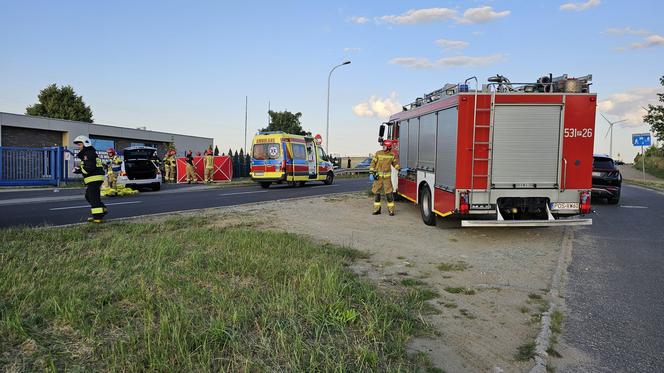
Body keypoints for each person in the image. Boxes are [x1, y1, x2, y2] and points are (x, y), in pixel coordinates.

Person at [72, 135, 107, 223]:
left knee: (93, 198)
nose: (78, 147)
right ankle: (102, 209)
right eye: (78, 145)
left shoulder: (87, 154)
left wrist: (78, 170)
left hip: (94, 179)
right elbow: (89, 167)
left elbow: (89, 168)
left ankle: (97, 218)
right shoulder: (89, 153)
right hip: (94, 178)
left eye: (80, 145)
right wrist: (80, 170)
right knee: (89, 196)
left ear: (86, 144)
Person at [369, 139, 400, 216]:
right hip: (378, 177)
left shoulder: (392, 155)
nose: (383, 147)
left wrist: (399, 168)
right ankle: (377, 210)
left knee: (389, 194)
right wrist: (371, 172)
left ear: (389, 147)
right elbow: (373, 162)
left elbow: (395, 164)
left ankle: (391, 210)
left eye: (385, 146)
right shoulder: (378, 153)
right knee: (377, 193)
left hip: (387, 178)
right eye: (383, 146)